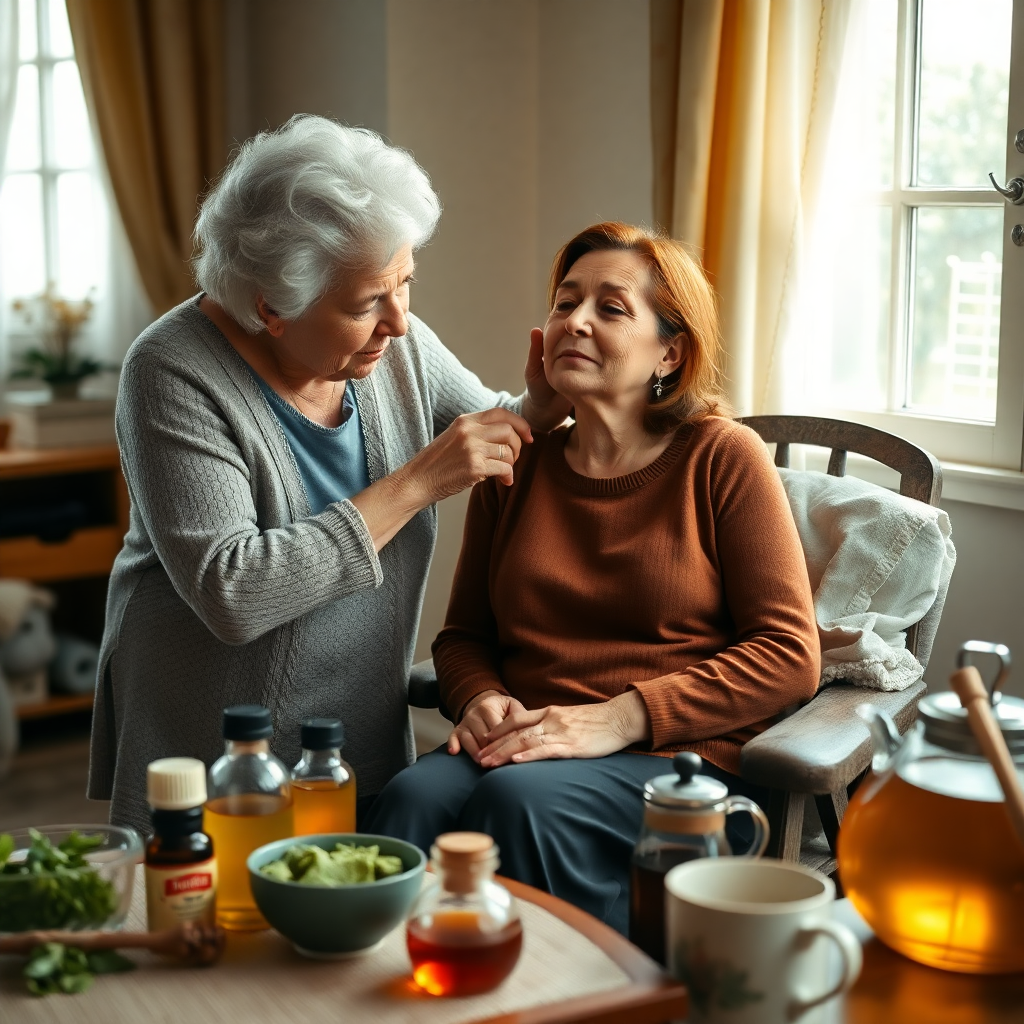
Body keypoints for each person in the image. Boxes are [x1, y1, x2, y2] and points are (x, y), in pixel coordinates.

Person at [88, 115, 569, 833]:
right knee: (217, 931)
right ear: (269, 309)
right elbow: (234, 590)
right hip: (212, 744)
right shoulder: (170, 371)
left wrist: (543, 403)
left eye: (404, 282)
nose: (399, 322)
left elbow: (495, 426)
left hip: (351, 728)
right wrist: (414, 484)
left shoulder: (393, 349)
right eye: (365, 302)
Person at [364, 222, 821, 934]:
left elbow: (789, 656)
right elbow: (463, 639)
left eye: (610, 308)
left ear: (670, 351)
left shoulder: (723, 458)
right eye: (564, 302)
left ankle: (584, 1001)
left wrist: (619, 717)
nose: (572, 321)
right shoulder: (514, 467)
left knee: (514, 807)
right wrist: (480, 696)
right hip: (528, 743)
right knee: (408, 802)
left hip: (683, 769)